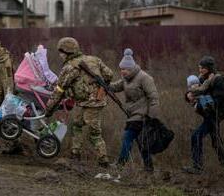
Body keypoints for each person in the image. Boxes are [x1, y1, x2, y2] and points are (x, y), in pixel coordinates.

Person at [45, 37, 113, 168]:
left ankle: (104, 161)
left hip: (92, 104)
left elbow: (59, 90)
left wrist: (49, 109)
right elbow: (109, 75)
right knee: (76, 125)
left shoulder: (69, 67)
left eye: (61, 52)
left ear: (67, 52)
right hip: (86, 103)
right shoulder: (94, 59)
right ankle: (75, 153)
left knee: (94, 134)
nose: (60, 55)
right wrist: (100, 87)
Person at [110, 48, 160, 172]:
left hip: (142, 116)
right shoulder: (126, 79)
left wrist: (152, 118)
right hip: (132, 114)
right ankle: (149, 168)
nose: (123, 72)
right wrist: (103, 83)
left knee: (127, 137)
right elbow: (115, 87)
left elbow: (154, 98)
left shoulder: (144, 78)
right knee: (141, 142)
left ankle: (120, 164)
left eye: (125, 69)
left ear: (132, 68)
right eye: (121, 69)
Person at [183, 56, 224, 174]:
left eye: (203, 68)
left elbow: (218, 101)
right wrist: (188, 95)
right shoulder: (203, 79)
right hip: (208, 115)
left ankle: (197, 167)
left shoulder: (219, 80)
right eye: (199, 67)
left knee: (196, 136)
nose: (200, 70)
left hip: (214, 115)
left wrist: (200, 105)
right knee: (216, 141)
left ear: (209, 68)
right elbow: (197, 91)